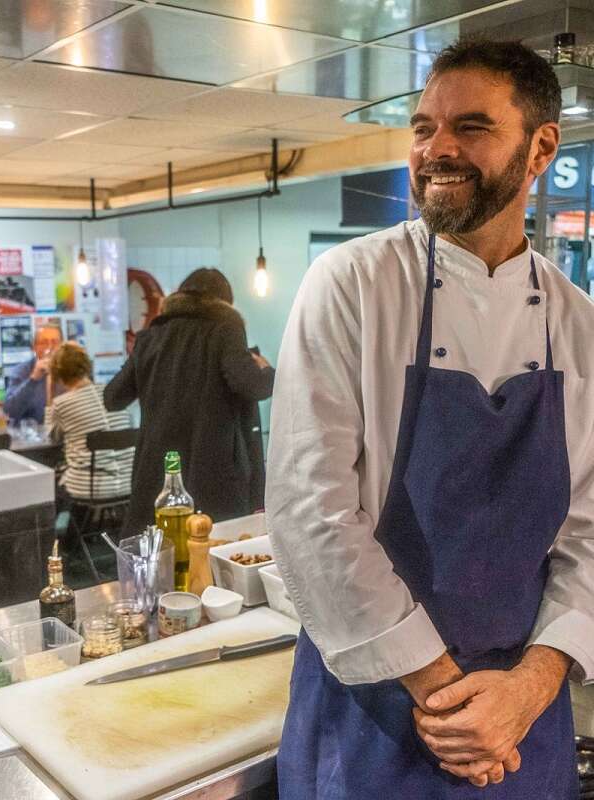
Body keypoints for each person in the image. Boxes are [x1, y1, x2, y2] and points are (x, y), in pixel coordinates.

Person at [266, 39, 594, 799]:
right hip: (375, 708)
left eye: (471, 127)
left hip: (522, 718)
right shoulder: (350, 285)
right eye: (422, 128)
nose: (436, 149)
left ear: (541, 146)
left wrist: (529, 688)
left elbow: (587, 532)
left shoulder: (579, 328)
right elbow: (310, 511)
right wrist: (449, 696)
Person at [104, 267, 275, 533]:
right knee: (212, 555)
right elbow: (255, 386)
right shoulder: (225, 330)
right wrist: (266, 369)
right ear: (225, 303)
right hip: (212, 472)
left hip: (157, 474)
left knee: (161, 556)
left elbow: (112, 398)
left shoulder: (149, 338)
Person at [45, 343, 133, 503]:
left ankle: (69, 528)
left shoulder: (61, 403)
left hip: (89, 488)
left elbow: (52, 437)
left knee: (49, 489)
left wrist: (50, 393)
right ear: (86, 365)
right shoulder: (113, 393)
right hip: (130, 483)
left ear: (57, 374)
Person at [4, 324, 63, 424]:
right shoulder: (21, 371)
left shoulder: (70, 370)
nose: (49, 347)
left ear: (62, 346)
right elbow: (10, 411)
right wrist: (33, 379)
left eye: (55, 342)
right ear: (34, 347)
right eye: (43, 342)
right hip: (30, 435)